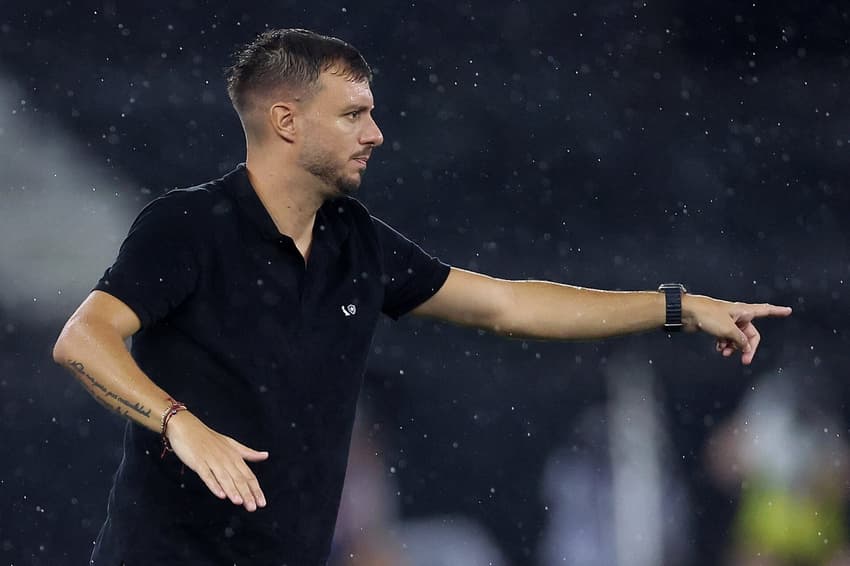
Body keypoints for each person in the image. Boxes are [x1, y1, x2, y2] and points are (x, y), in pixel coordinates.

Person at [52, 28, 792, 565]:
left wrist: (675, 306)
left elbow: (508, 305)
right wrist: (179, 423)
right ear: (285, 121)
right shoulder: (188, 226)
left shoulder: (356, 242)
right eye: (353, 114)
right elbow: (82, 338)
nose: (375, 133)